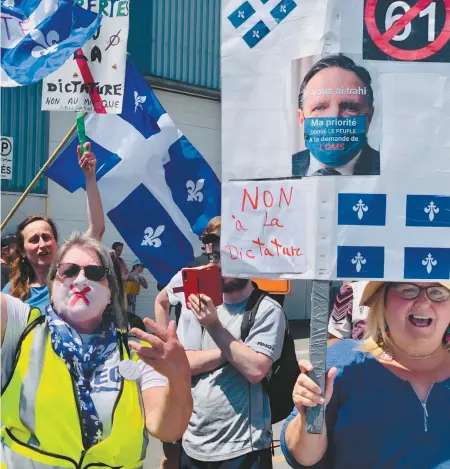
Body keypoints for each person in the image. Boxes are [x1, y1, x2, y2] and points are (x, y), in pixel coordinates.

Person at [1, 231, 193, 468]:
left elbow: (167, 429)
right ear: (52, 285)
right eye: (69, 271)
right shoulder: (20, 327)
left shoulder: (137, 352)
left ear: (111, 292)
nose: (81, 280)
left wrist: (178, 379)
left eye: (94, 273)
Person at [281, 281, 450, 469]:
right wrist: (309, 415)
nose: (423, 301)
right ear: (383, 300)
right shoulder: (343, 362)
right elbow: (304, 457)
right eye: (408, 289)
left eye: (438, 292)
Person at [180, 222, 286, 469]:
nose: (219, 264)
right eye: (215, 256)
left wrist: (215, 327)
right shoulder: (198, 304)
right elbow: (185, 364)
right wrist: (233, 350)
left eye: (228, 256)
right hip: (194, 442)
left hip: (243, 447)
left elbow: (255, 369)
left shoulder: (267, 310)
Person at [2, 143, 105, 313]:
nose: (42, 244)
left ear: (56, 243)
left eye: (46, 237)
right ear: (21, 250)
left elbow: (97, 229)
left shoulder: (72, 278)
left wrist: (90, 178)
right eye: (34, 240)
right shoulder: (11, 293)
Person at [154, 217, 218, 469]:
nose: (214, 246)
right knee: (173, 447)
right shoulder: (190, 274)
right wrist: (165, 338)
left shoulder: (240, 279)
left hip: (219, 375)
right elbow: (161, 301)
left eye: (221, 240)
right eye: (210, 240)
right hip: (185, 372)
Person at [292, 54, 380, 177]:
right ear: (301, 119)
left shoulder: (389, 169)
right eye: (319, 107)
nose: (334, 118)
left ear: (369, 118)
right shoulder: (286, 166)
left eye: (350, 107)